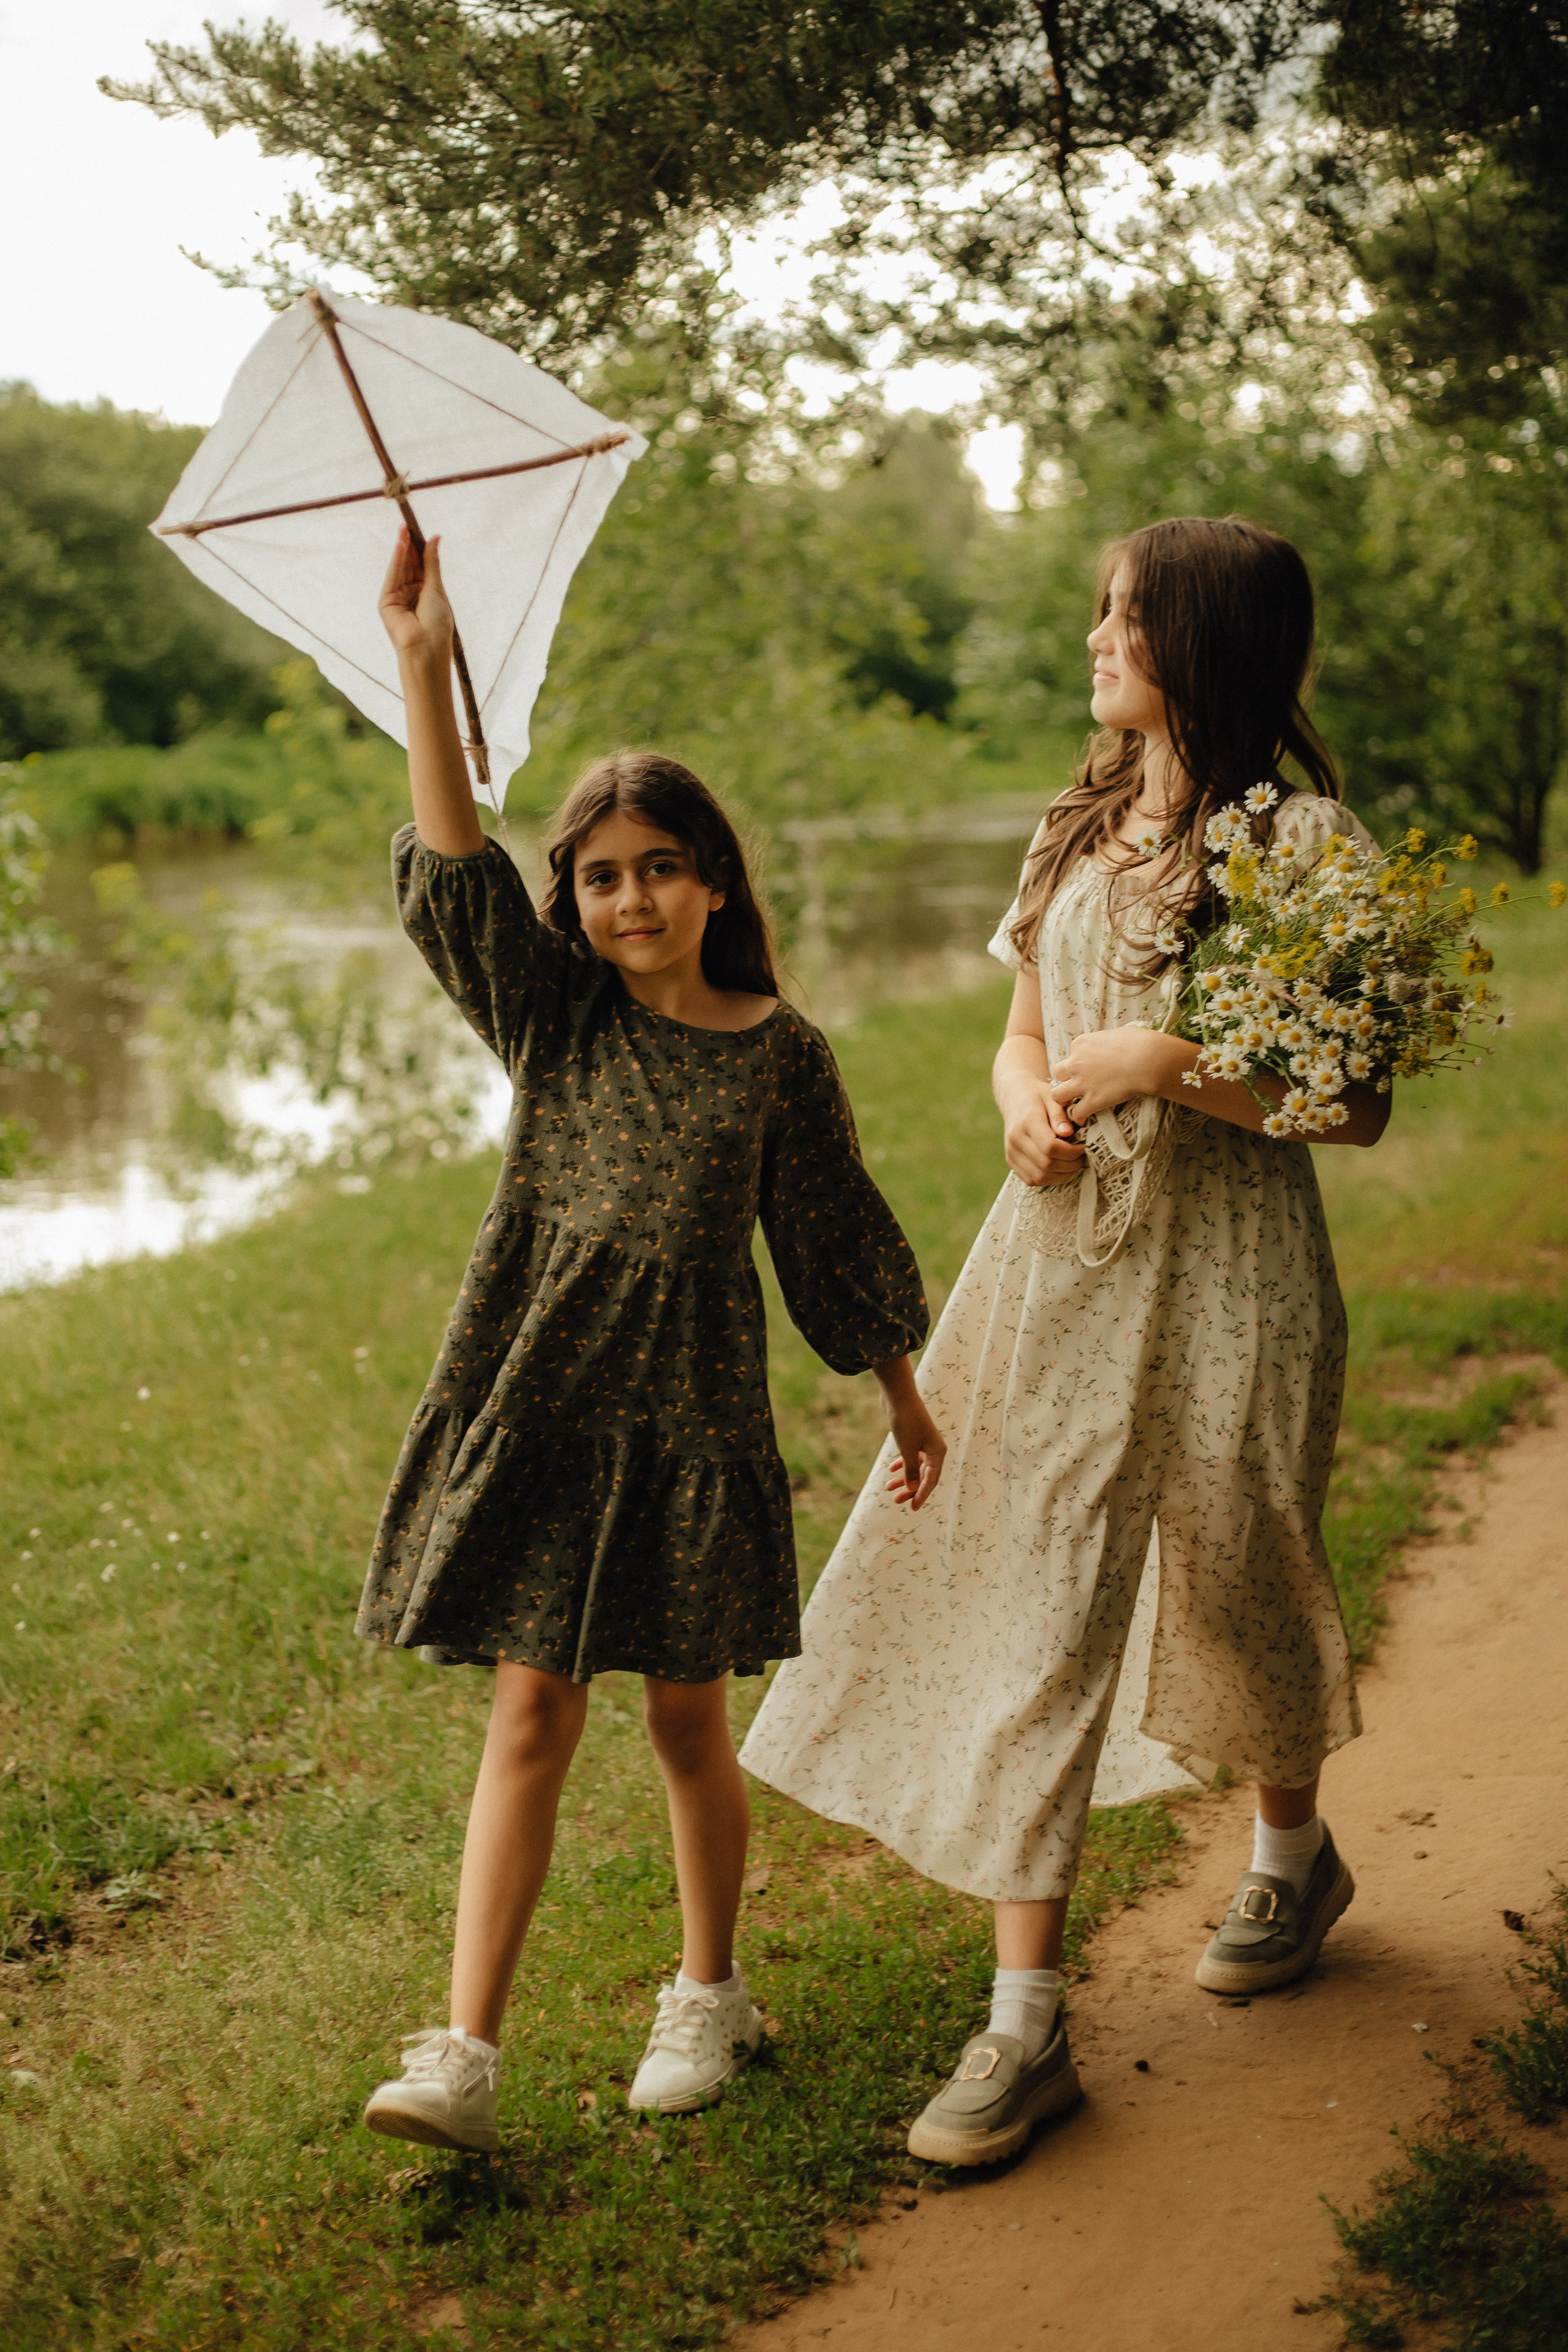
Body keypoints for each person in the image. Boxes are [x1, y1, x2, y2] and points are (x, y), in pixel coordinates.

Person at [741, 514, 1387, 2168]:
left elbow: (1353, 1102)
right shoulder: (1078, 822)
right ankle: (1024, 2028)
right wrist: (1032, 1100)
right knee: (1039, 1591)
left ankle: (1293, 1855)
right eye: (1101, 609)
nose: (1098, 636)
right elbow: (1021, 1031)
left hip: (1235, 1269)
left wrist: (1167, 1066)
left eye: (1126, 614)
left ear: (1204, 642)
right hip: (1062, 1268)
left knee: (1240, 1566)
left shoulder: (1304, 846)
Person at [356, 529, 943, 2154]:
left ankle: (711, 1998)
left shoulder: (778, 1054)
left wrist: (902, 1389)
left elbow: (830, 1225)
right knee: (531, 1715)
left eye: (660, 868)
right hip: (543, 1411)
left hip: (689, 1431)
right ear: (579, 896)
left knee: (688, 1720)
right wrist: (424, 665)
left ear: (717, 881)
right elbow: (455, 865)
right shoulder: (555, 1018)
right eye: (601, 875)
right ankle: (464, 2055)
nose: (630, 899)